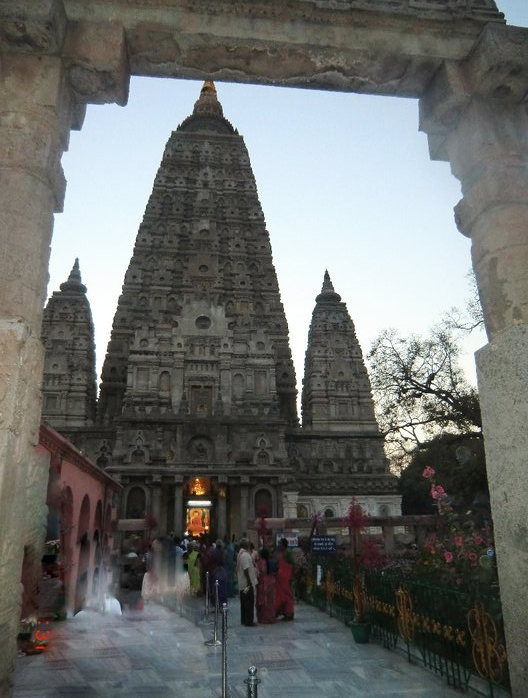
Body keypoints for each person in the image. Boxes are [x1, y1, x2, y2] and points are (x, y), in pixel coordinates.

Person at [236, 537, 257, 626]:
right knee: (248, 601)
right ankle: (248, 621)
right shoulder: (244, 555)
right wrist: (249, 582)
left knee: (245, 601)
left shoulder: (242, 554)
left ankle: (245, 619)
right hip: (246, 584)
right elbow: (246, 569)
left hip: (244, 583)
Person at [275, 537, 294, 621]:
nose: (279, 545)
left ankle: (289, 613)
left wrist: (290, 576)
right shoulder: (280, 554)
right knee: (281, 595)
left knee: (287, 596)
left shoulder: (288, 554)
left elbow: (292, 565)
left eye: (280, 544)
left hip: (286, 578)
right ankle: (284, 612)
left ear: (284, 545)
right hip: (280, 579)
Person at [256, 547, 276, 624]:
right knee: (270, 601)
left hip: (261, 585)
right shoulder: (271, 562)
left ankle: (262, 618)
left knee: (262, 601)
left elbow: (257, 574)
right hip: (270, 584)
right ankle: (270, 617)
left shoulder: (259, 563)